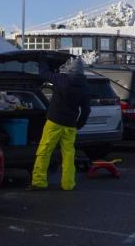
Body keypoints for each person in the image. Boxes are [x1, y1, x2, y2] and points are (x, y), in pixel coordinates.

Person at [31, 58, 91, 191]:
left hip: (54, 122)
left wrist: (42, 60)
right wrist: (78, 124)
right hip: (70, 125)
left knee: (45, 151)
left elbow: (44, 74)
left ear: (70, 69)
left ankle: (39, 181)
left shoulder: (62, 79)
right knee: (68, 154)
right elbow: (86, 110)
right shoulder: (85, 87)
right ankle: (68, 184)